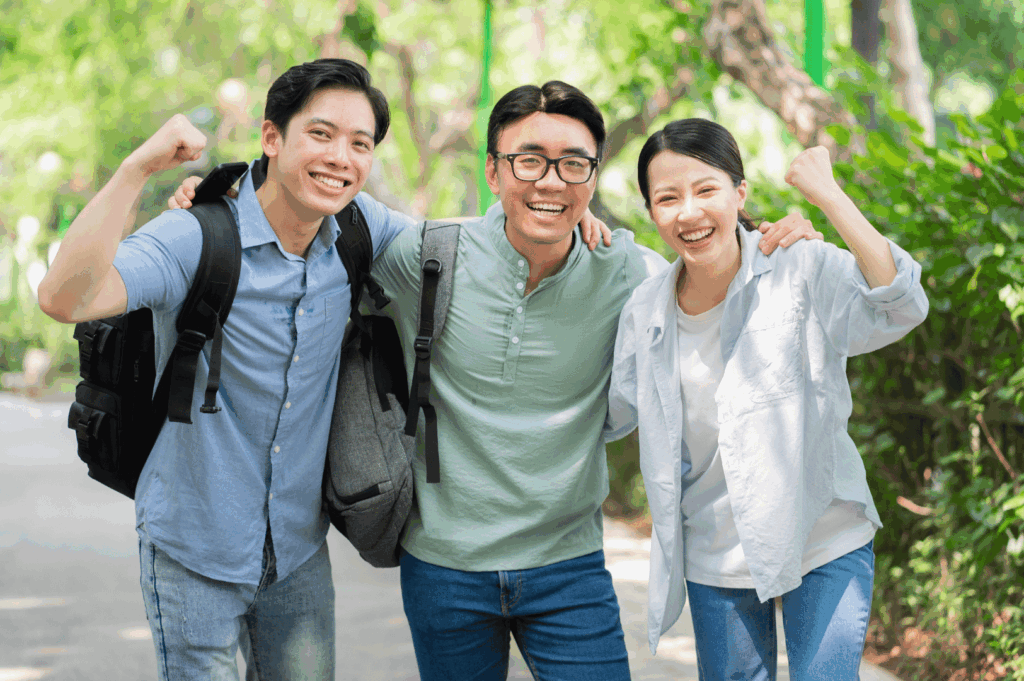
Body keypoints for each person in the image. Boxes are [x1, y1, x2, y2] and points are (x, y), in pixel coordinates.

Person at [166, 81, 820, 679]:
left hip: (569, 566)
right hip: (443, 568)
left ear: (593, 177)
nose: (551, 181)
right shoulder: (427, 256)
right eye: (529, 160)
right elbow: (315, 216)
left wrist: (776, 235)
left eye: (573, 165)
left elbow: (713, 269)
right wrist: (223, 200)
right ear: (493, 170)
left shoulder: (626, 271)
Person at [38, 59, 420, 681]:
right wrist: (138, 168)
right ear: (272, 137)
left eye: (360, 143)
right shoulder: (197, 237)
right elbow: (63, 298)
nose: (341, 158)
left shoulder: (360, 229)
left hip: (297, 551)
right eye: (320, 134)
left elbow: (458, 255)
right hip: (193, 547)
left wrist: (567, 223)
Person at [606, 118, 929, 680]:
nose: (689, 212)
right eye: (667, 198)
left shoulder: (798, 264)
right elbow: (609, 415)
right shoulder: (646, 310)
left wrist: (826, 195)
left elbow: (898, 307)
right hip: (716, 555)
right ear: (652, 212)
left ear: (739, 193)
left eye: (706, 190)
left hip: (822, 534)